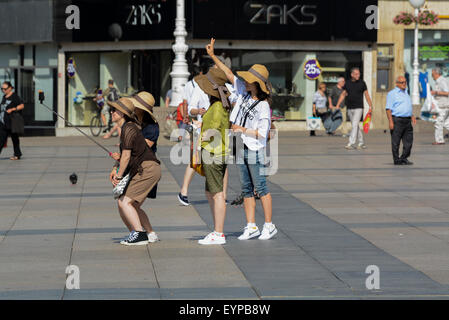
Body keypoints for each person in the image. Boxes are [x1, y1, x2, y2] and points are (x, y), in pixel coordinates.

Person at [207, 38, 277, 241]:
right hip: (239, 146)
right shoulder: (242, 93)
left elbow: (262, 134)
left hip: (254, 148)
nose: (244, 81)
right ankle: (251, 225)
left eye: (248, 79)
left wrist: (241, 129)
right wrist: (213, 55)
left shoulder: (263, 106)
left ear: (257, 84)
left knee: (261, 187)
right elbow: (228, 74)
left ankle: (269, 225)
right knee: (246, 188)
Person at [108, 98, 161, 246]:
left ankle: (139, 234)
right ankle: (139, 233)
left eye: (115, 110)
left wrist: (118, 175)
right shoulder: (128, 128)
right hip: (144, 168)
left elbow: (126, 156)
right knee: (126, 203)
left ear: (123, 113)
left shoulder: (129, 129)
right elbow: (125, 156)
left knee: (125, 202)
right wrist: (116, 168)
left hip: (147, 169)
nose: (111, 112)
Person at [194, 67, 231, 245]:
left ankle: (219, 232)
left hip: (214, 153)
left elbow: (212, 130)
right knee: (211, 192)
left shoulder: (217, 106)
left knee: (216, 194)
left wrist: (199, 134)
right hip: (217, 152)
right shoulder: (220, 104)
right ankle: (217, 229)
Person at [130, 91, 161, 204]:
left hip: (146, 169)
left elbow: (143, 147)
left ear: (142, 109)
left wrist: (127, 146)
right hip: (135, 166)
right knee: (132, 206)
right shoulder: (134, 122)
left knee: (129, 204)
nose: (133, 107)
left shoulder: (152, 127)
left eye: (136, 105)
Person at [336, 67, 373, 150]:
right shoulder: (347, 83)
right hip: (349, 107)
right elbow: (343, 94)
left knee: (355, 125)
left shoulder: (362, 83)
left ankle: (351, 143)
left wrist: (370, 106)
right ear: (351, 74)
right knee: (355, 126)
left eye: (359, 74)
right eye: (356, 74)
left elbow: (366, 95)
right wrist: (338, 105)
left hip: (359, 107)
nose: (358, 75)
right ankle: (361, 142)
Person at [386, 76, 416, 165]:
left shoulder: (406, 92)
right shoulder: (392, 94)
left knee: (409, 141)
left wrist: (412, 115)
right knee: (396, 141)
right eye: (402, 82)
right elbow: (388, 109)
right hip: (397, 120)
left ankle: (404, 158)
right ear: (397, 83)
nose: (404, 84)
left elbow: (407, 106)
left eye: (405, 82)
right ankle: (396, 159)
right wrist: (390, 121)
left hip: (407, 120)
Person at [0, 81, 25, 160]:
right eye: (2, 89)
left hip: (11, 122)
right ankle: (17, 154)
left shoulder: (14, 96)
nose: (3, 90)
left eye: (5, 89)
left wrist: (13, 109)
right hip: (3, 122)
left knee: (14, 139)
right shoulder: (4, 97)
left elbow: (22, 105)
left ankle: (17, 154)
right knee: (1, 139)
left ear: (10, 88)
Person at [430, 67, 449, 145]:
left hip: (443, 106)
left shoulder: (441, 81)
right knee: (446, 123)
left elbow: (447, 92)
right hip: (443, 105)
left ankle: (439, 140)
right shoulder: (439, 81)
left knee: (438, 123)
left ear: (436, 73)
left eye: (432, 74)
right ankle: (439, 140)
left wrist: (436, 92)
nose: (432, 76)